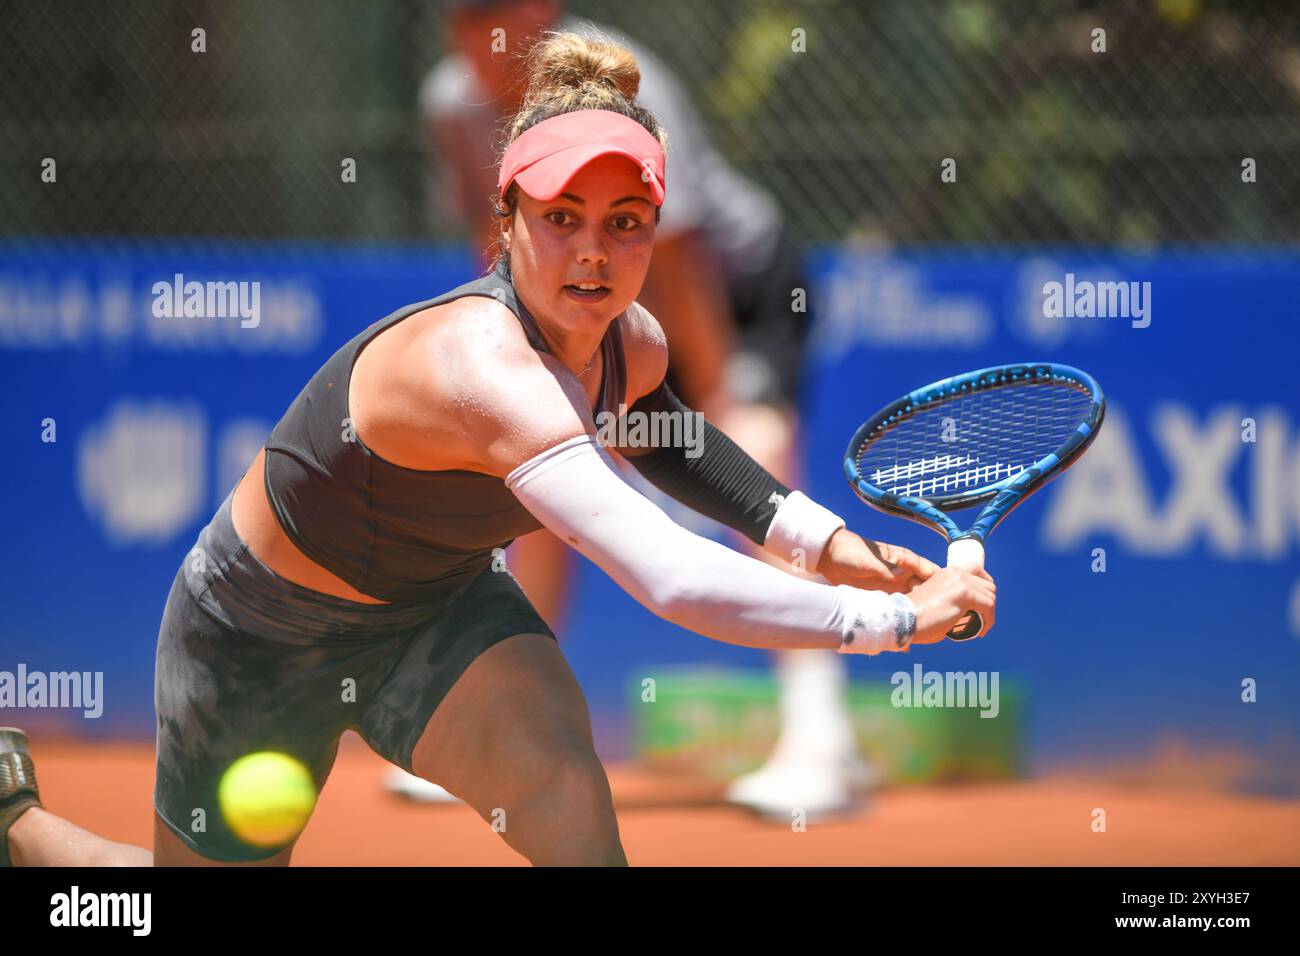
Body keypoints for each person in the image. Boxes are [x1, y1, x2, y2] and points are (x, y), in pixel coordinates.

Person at [0, 32, 995, 867]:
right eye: (560, 219)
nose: (594, 253)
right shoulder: (482, 368)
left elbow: (671, 441)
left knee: (569, 801)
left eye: (626, 223)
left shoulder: (629, 341)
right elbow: (672, 578)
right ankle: (24, 827)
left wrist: (826, 543)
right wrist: (896, 617)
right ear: (504, 221)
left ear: (655, 230)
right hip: (255, 629)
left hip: (437, 610)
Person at [408, 0, 877, 818]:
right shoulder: (449, 102)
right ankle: (500, 724)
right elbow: (498, 248)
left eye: (491, 8)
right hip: (590, 309)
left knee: (754, 446)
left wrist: (720, 401)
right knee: (536, 480)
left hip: (727, 293)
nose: (471, 28)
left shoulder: (622, 79)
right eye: (457, 12)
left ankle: (820, 739)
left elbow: (678, 249)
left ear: (540, 9)